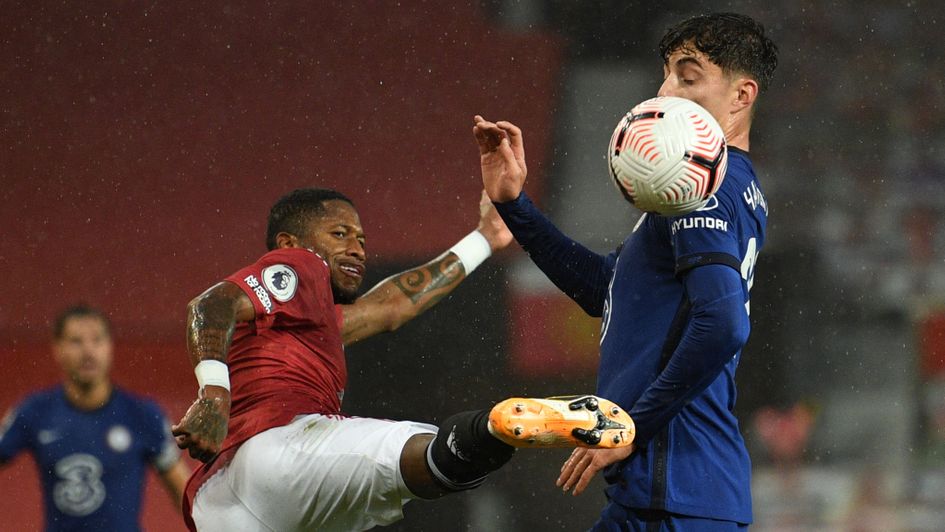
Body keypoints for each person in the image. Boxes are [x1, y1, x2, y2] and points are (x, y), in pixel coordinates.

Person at [171, 188, 634, 531]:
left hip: (219, 508)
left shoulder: (304, 322)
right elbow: (210, 304)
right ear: (290, 242)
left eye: (362, 238)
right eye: (339, 233)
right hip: (278, 452)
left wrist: (484, 240)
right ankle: (492, 428)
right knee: (428, 454)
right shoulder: (299, 265)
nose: (357, 247)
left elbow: (393, 305)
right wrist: (214, 394)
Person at [474, 12, 778, 531]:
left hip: (675, 489)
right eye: (666, 74)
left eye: (687, 76)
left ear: (742, 96)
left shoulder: (702, 184)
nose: (665, 90)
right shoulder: (719, 185)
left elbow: (724, 322)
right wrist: (514, 205)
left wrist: (635, 424)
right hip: (676, 493)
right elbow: (605, 291)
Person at [0, 304, 191, 531]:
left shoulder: (142, 414)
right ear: (57, 348)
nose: (88, 352)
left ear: (110, 347)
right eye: (76, 341)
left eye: (97, 340)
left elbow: (186, 497)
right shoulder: (34, 412)